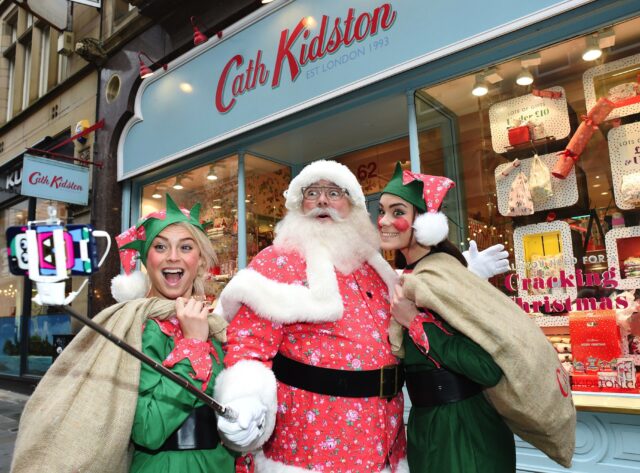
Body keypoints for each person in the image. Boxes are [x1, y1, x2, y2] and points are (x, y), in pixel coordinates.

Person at [211, 160, 510, 473]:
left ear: (352, 205)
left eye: (334, 192)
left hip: (387, 444)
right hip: (313, 450)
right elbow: (248, 345)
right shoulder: (274, 264)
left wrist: (459, 276)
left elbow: (418, 293)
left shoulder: (372, 266)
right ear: (300, 205)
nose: (323, 200)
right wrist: (245, 401)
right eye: (312, 193)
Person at [11, 194, 236, 473]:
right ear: (147, 259)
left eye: (186, 247)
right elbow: (148, 429)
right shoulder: (137, 328)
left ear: (200, 261)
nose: (173, 256)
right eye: (160, 247)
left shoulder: (216, 327)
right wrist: (191, 346)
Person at [378, 163, 576, 472]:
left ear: (425, 224)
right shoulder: (423, 277)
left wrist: (415, 323)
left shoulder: (429, 281)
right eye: (382, 211)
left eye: (397, 212)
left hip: (462, 431)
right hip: (429, 426)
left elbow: (486, 368)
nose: (383, 221)